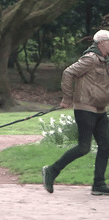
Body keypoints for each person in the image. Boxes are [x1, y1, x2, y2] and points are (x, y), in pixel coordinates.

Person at [42, 30, 109, 195]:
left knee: (106, 145)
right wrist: (67, 98)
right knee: (83, 147)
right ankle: (51, 170)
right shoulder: (90, 59)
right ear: (102, 42)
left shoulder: (104, 61)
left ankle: (98, 185)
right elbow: (68, 72)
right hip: (85, 109)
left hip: (100, 110)